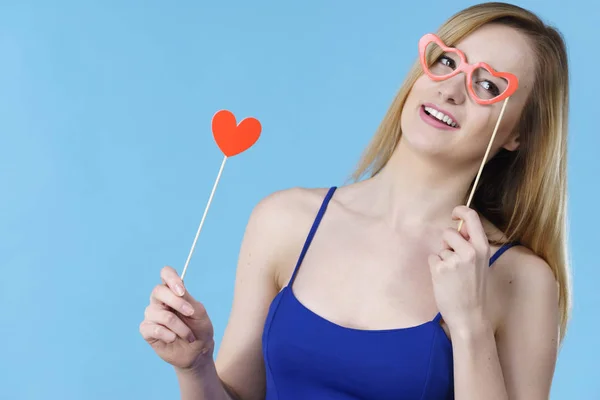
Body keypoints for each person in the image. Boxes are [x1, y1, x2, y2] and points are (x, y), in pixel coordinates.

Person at [139, 2, 571, 399]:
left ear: (519, 134)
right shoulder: (284, 221)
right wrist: (195, 367)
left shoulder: (521, 281)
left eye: (488, 84)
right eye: (446, 61)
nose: (451, 90)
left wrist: (470, 323)